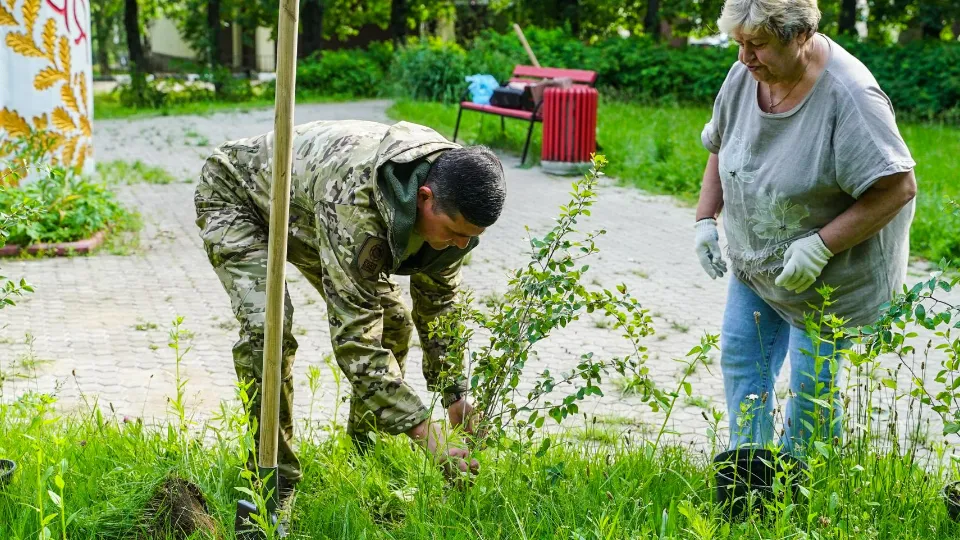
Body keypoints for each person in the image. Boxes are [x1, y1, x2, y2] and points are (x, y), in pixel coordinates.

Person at [194, 120, 506, 502]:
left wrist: (455, 394)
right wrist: (426, 432)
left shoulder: (456, 186)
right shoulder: (356, 205)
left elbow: (439, 304)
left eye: (472, 236)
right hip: (240, 194)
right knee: (269, 333)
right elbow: (355, 341)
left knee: (392, 324)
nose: (462, 244)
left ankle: (363, 454)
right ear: (425, 197)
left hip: (307, 206)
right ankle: (275, 484)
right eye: (455, 231)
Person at [693, 0, 917, 455]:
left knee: (811, 385)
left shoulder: (850, 96)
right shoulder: (747, 74)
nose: (744, 57)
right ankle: (748, 472)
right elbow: (721, 141)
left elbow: (898, 187)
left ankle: (800, 481)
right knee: (742, 358)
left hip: (829, 272)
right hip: (759, 259)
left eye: (757, 44)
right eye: (739, 43)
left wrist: (819, 246)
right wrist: (704, 218)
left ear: (800, 36)